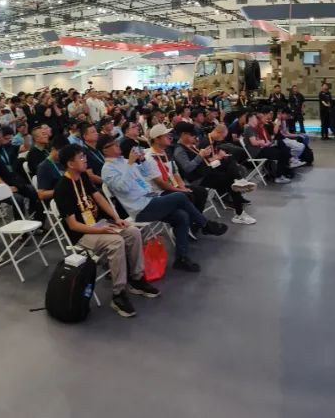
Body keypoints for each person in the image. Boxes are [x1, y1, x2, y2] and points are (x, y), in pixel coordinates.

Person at [54, 144, 159, 318]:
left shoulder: (83, 177)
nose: (85, 159)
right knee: (116, 242)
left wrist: (116, 218)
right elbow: (73, 226)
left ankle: (136, 278)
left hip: (99, 225)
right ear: (70, 164)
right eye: (81, 157)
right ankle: (118, 294)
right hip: (83, 234)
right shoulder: (62, 188)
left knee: (133, 232)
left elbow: (99, 198)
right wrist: (101, 230)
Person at [102, 135, 226, 272]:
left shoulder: (125, 161)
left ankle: (181, 258)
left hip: (150, 198)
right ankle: (205, 224)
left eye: (116, 142)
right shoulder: (107, 169)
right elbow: (123, 187)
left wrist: (142, 160)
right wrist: (131, 164)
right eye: (113, 144)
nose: (117, 145)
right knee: (180, 196)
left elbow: (146, 174)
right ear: (105, 150)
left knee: (181, 216)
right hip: (140, 208)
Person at [172, 122, 256, 225]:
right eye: (191, 134)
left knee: (230, 169)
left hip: (206, 172)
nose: (194, 136)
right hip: (199, 178)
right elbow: (188, 168)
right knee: (231, 181)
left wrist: (205, 156)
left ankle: (239, 187)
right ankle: (239, 211)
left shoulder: (190, 146)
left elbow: (201, 161)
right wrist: (201, 156)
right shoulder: (179, 150)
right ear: (183, 134)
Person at [142, 123, 208, 213]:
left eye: (169, 135)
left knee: (201, 192)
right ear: (157, 139)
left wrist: (182, 187)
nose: (169, 137)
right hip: (161, 192)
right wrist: (181, 190)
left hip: (173, 185)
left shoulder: (166, 152)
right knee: (189, 196)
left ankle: (197, 219)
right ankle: (195, 219)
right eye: (165, 136)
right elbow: (162, 184)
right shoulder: (150, 158)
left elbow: (175, 172)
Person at [0, 124, 42, 221]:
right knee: (18, 199)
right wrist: (5, 187)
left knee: (34, 191)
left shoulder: (6, 146)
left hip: (15, 181)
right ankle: (21, 226)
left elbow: (26, 147)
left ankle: (34, 217)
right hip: (1, 186)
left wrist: (25, 134)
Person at [245, 111, 293, 184]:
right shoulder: (249, 129)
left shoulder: (251, 128)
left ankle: (282, 173)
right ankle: (279, 176)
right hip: (258, 152)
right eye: (255, 118)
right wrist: (261, 142)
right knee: (281, 154)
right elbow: (253, 142)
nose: (256, 120)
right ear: (250, 118)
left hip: (260, 150)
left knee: (283, 150)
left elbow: (256, 141)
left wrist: (263, 143)